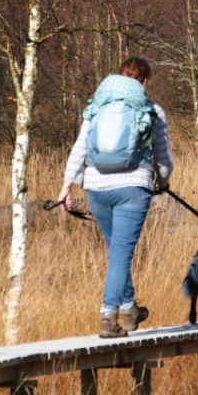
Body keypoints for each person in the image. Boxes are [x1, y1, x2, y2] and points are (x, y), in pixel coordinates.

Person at [57, 57, 174, 338]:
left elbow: (80, 147)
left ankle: (129, 308)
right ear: (144, 82)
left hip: (96, 188)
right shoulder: (152, 110)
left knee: (116, 252)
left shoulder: (97, 108)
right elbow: (163, 156)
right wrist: (164, 181)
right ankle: (109, 317)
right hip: (132, 189)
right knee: (121, 254)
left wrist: (66, 186)